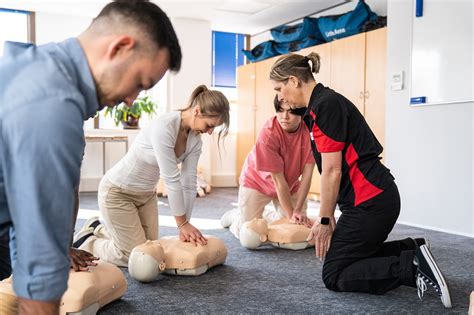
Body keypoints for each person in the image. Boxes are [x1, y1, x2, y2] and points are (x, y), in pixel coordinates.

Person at [0, 0, 181, 313]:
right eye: (139, 83)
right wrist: (48, 258)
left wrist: (59, 246)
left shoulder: (37, 68)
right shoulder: (52, 106)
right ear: (120, 47)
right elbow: (39, 271)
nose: (130, 100)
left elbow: (52, 196)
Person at [269, 53, 452, 308]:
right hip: (371, 199)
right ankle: (413, 249)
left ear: (293, 80)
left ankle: (412, 265)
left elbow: (332, 170)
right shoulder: (318, 106)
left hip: (371, 200)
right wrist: (329, 213)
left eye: (279, 88)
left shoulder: (326, 105)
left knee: (334, 274)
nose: (280, 97)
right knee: (350, 257)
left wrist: (324, 219)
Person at [73, 85, 230, 267]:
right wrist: (181, 224)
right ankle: (87, 240)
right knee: (136, 256)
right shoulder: (164, 126)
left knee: (152, 249)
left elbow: (188, 183)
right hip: (117, 193)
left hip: (146, 196)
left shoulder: (195, 139)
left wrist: (185, 225)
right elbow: (171, 179)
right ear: (197, 111)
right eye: (209, 126)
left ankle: (98, 228)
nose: (210, 132)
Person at [221, 96, 315, 238]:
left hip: (290, 184)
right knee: (249, 234)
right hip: (256, 182)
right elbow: (278, 182)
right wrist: (291, 215)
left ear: (302, 113)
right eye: (280, 110)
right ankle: (235, 217)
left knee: (298, 230)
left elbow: (307, 177)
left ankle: (268, 216)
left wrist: (297, 211)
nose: (284, 117)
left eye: (291, 112)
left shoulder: (310, 133)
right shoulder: (268, 133)